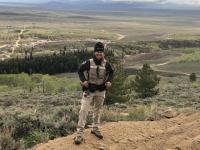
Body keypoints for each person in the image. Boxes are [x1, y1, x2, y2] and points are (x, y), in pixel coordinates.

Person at [74, 42, 114, 145]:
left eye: (101, 52)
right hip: (89, 90)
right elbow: (80, 70)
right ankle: (79, 133)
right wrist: (83, 80)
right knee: (83, 110)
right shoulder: (88, 62)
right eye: (97, 52)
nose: (99, 54)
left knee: (98, 110)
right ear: (94, 52)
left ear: (103, 53)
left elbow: (111, 72)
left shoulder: (106, 64)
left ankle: (95, 128)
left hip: (101, 90)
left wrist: (109, 81)